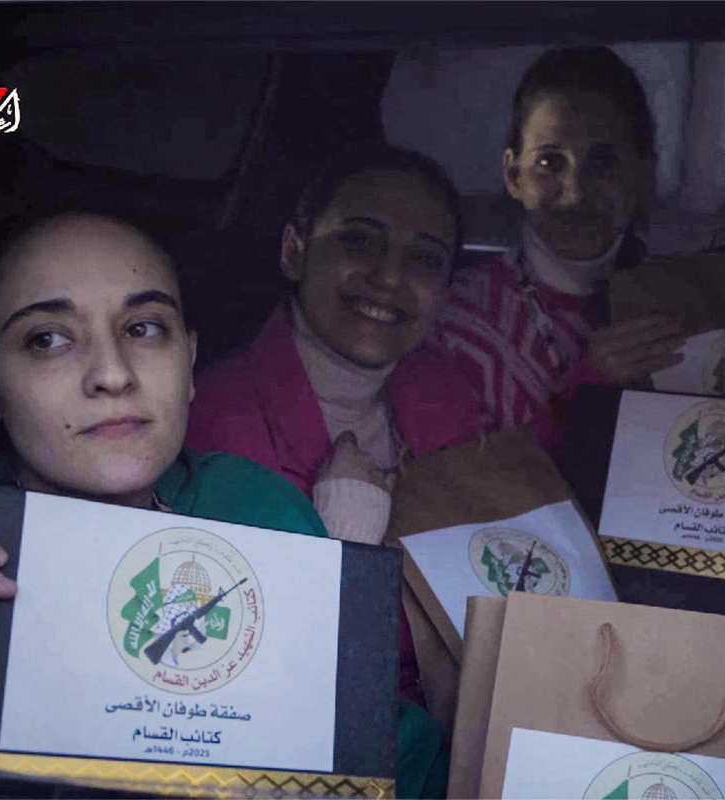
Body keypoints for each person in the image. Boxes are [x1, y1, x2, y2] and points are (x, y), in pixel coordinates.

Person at [0, 213, 328, 751]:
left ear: (188, 362)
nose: (113, 375)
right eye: (47, 339)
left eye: (143, 328)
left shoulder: (261, 513)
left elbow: (346, 742)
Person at [432, 46, 725, 676]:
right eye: (549, 161)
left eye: (604, 162)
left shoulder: (710, 299)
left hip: (695, 639)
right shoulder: (456, 318)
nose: (575, 191)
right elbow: (460, 517)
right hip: (540, 643)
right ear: (513, 174)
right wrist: (585, 395)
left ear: (644, 173)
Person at [186, 144, 486, 798]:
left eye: (425, 259)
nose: (389, 276)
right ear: (294, 251)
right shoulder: (215, 426)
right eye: (360, 240)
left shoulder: (447, 395)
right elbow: (238, 688)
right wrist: (345, 545)